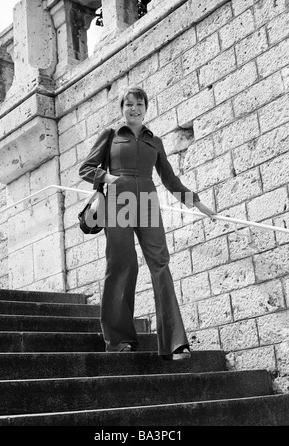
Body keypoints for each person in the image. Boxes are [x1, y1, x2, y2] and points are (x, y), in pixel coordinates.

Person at [79, 86, 216, 360]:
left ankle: (175, 343)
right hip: (119, 201)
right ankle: (119, 341)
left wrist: (197, 202)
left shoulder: (156, 141)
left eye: (139, 103)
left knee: (160, 264)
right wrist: (108, 180)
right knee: (122, 264)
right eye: (128, 104)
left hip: (148, 203)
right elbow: (86, 168)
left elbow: (170, 179)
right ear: (122, 108)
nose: (134, 108)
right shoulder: (111, 135)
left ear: (146, 107)